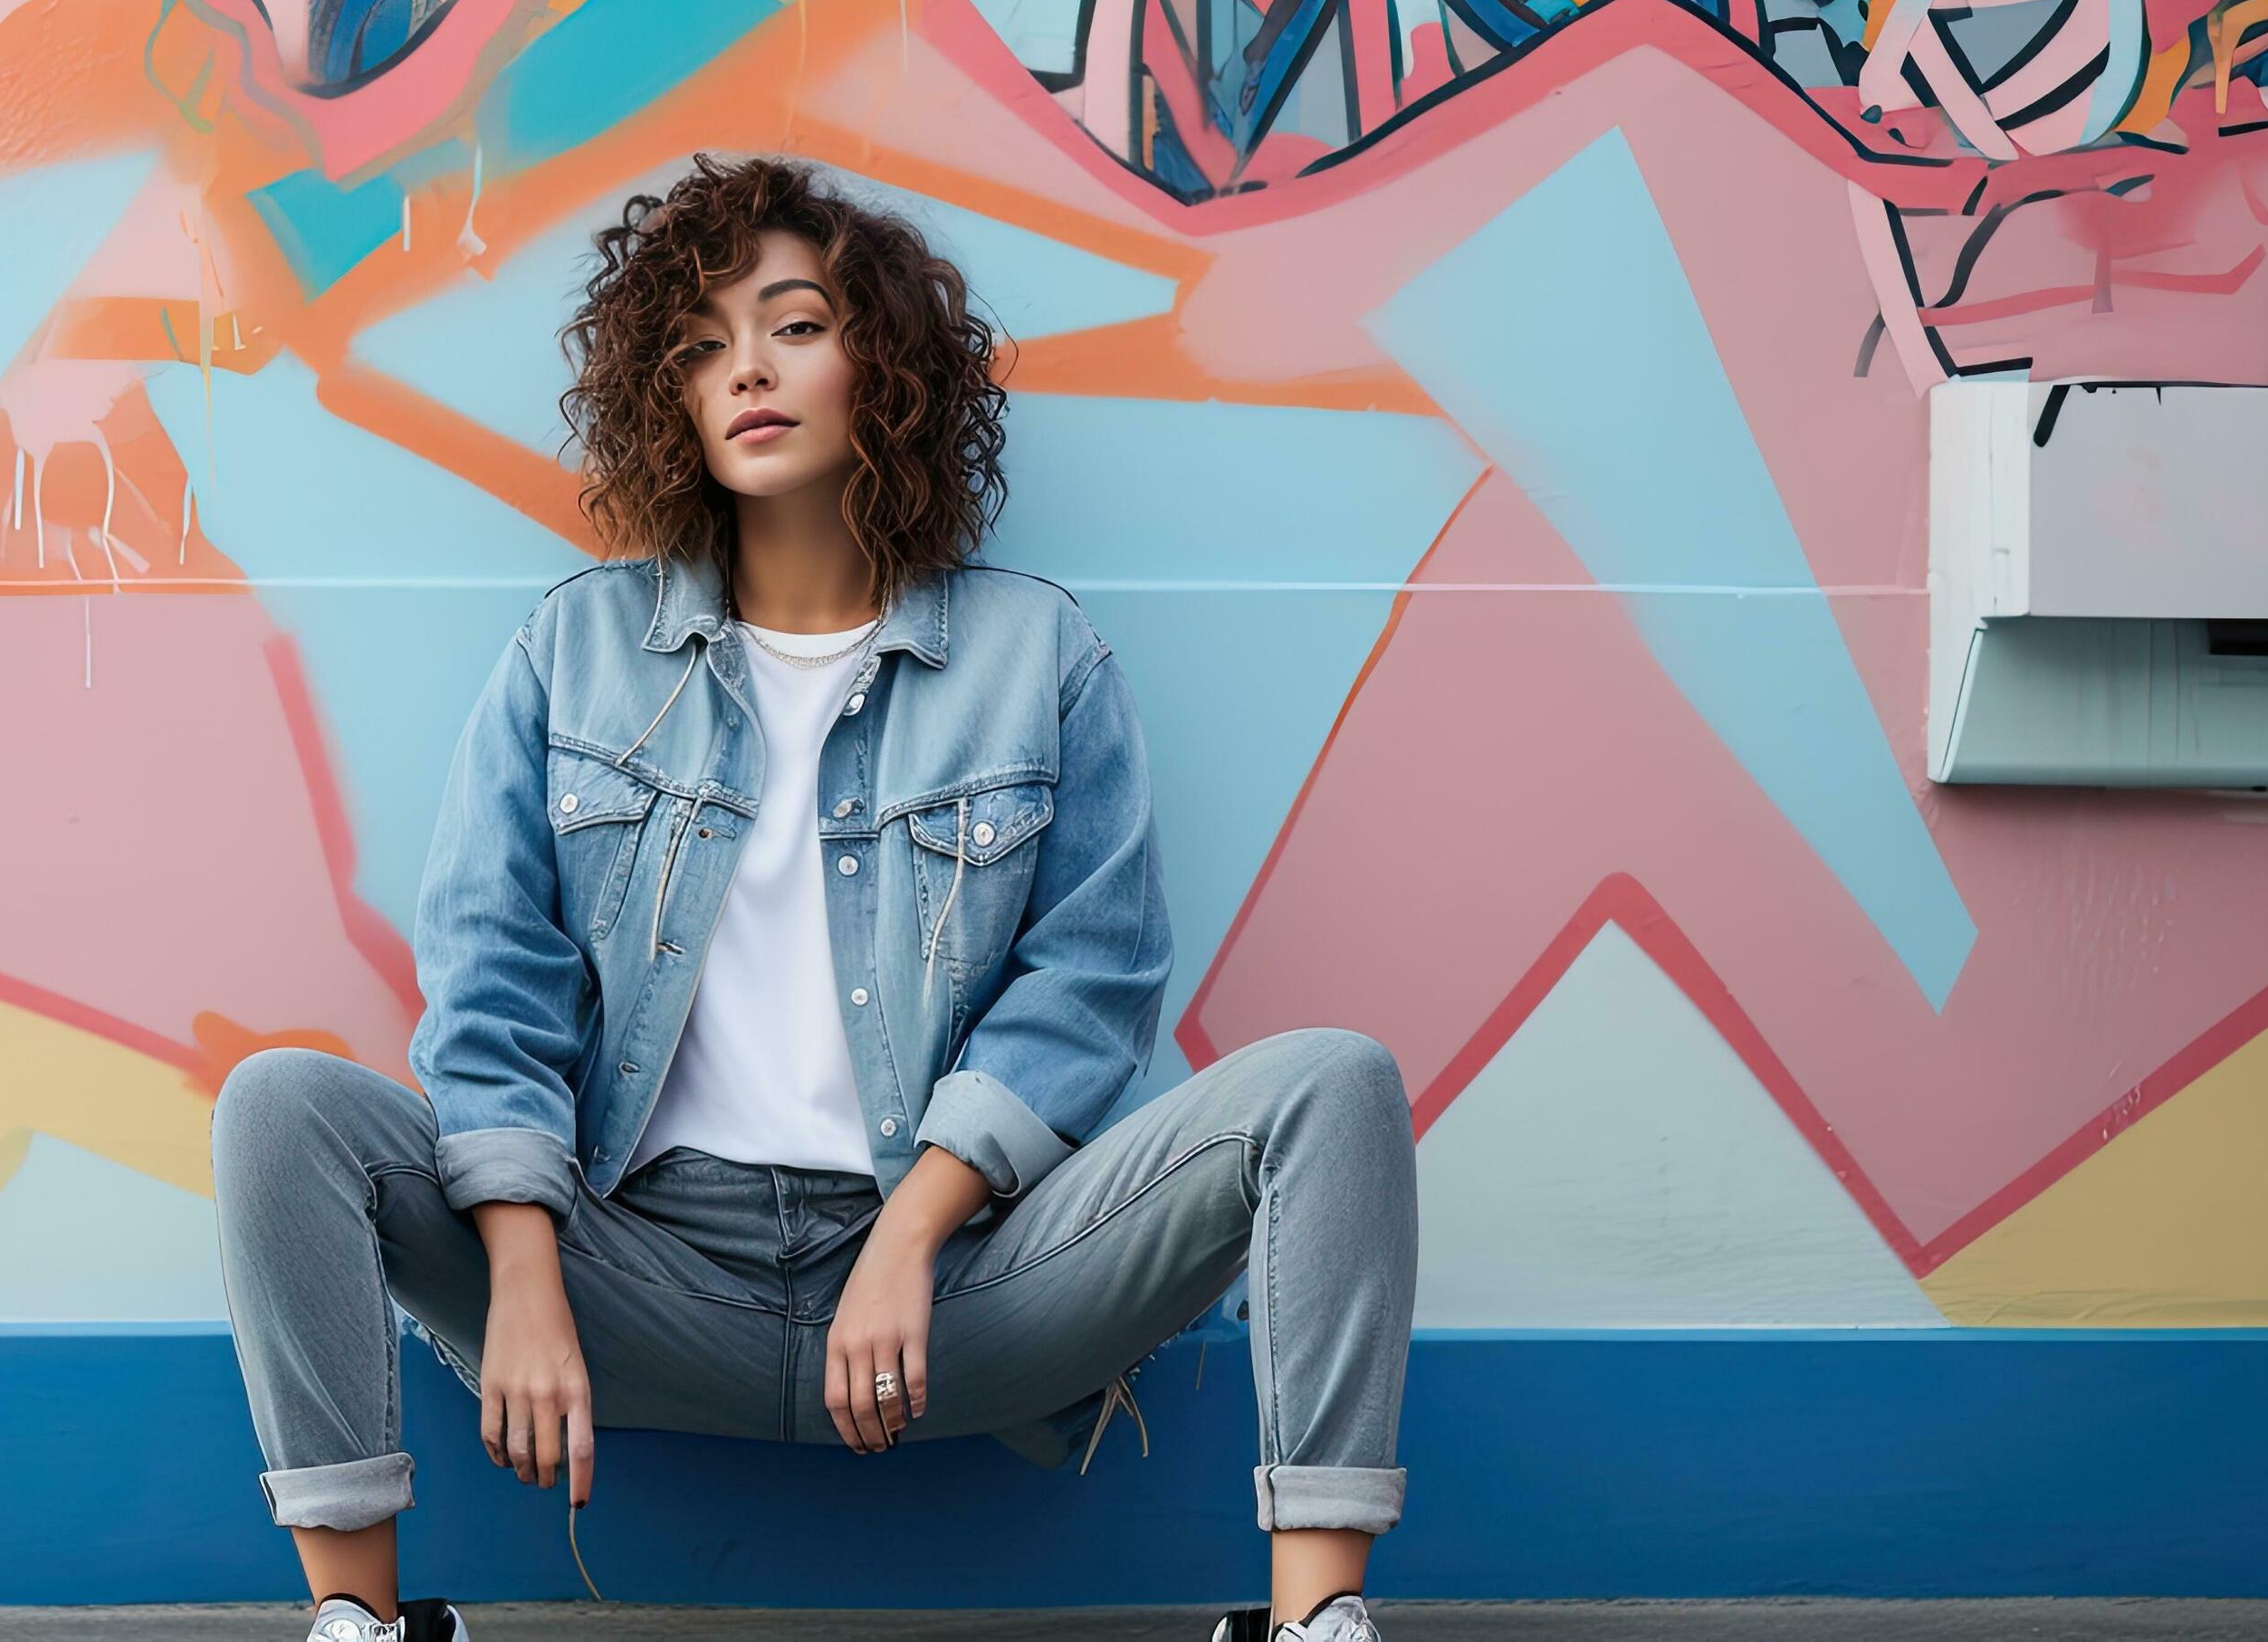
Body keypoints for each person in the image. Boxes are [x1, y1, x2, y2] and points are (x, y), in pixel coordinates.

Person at [211, 155, 1417, 1642]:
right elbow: (491, 986)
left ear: (882, 365)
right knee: (279, 1104)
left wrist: (911, 1235)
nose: (745, 372)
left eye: (790, 325)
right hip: (634, 1276)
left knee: (1331, 1089)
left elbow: (1089, 987)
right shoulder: (576, 653)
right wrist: (523, 1266)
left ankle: (1313, 1626)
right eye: (700, 347)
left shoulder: (1033, 657)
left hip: (961, 1293)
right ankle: (358, 1622)